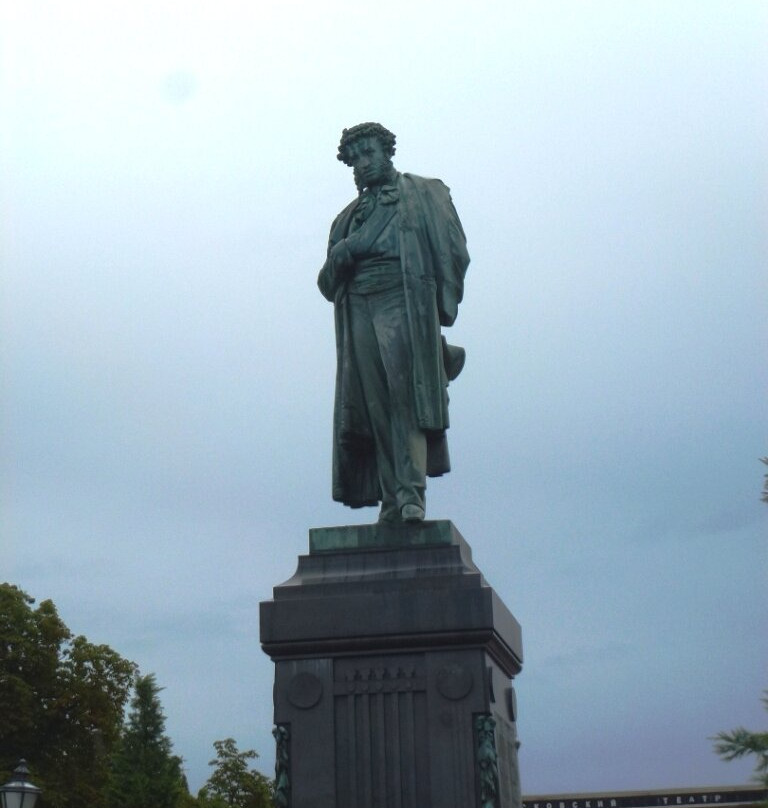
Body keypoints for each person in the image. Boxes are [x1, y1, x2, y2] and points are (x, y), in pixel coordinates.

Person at [318, 122, 469, 524]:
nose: (363, 164)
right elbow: (326, 284)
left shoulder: (423, 194)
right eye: (355, 160)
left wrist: (438, 303)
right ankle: (391, 499)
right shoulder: (346, 219)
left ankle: (411, 494)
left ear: (387, 152)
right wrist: (343, 255)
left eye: (369, 153)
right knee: (374, 406)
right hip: (358, 308)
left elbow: (454, 249)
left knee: (407, 397)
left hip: (403, 299)